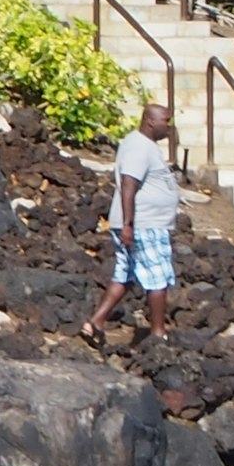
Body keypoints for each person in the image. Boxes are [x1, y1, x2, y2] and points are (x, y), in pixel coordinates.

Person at [81, 100, 183, 341]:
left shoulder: (142, 144)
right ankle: (159, 334)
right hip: (144, 224)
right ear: (150, 121)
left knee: (125, 275)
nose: (168, 127)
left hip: (141, 223)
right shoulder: (140, 147)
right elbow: (129, 184)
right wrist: (129, 224)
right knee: (157, 278)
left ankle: (95, 322)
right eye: (165, 122)